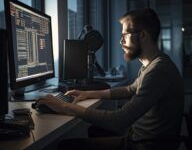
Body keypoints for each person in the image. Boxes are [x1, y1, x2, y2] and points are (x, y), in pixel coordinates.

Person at [36, 8, 184, 150]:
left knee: (66, 146)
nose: (121, 41)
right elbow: (129, 89)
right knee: (94, 130)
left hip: (144, 146)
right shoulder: (152, 64)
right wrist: (88, 94)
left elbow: (119, 121)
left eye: (125, 35)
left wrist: (65, 107)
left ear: (143, 35)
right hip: (139, 137)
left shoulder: (159, 71)